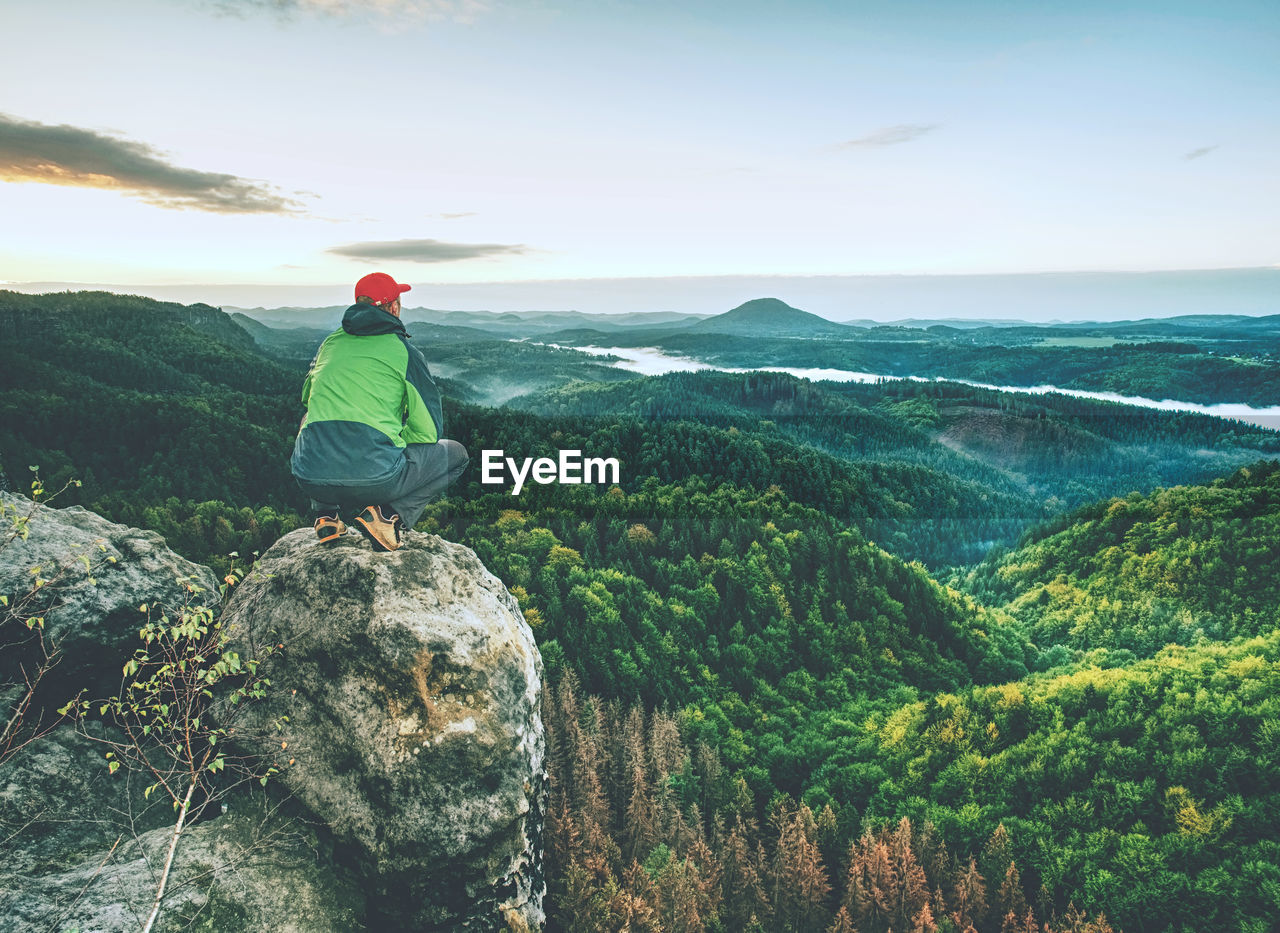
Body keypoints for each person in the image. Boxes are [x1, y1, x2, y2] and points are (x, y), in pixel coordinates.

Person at [290, 272, 468, 551]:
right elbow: (429, 431)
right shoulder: (404, 352)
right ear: (394, 307)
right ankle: (387, 516)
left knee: (309, 420)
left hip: (309, 477)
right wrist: (390, 439)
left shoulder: (330, 344)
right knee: (456, 455)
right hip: (376, 479)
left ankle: (326, 515)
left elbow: (307, 398)